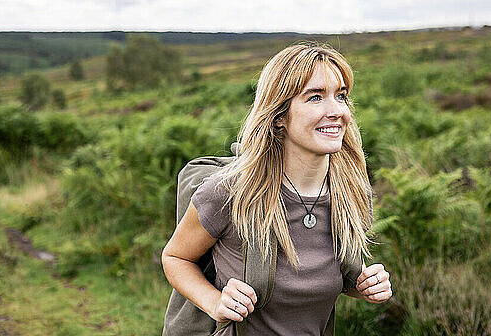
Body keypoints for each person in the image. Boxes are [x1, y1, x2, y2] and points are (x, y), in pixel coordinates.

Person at [162, 42, 392, 335]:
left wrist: (362, 286)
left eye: (341, 96)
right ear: (280, 116)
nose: (336, 111)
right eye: (315, 98)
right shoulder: (230, 193)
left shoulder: (352, 193)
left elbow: (317, 279)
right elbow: (175, 257)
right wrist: (214, 301)